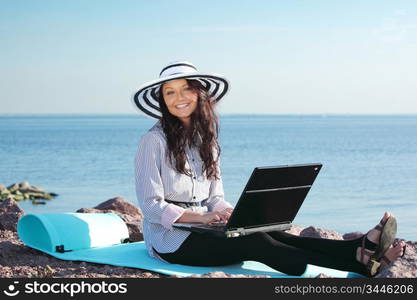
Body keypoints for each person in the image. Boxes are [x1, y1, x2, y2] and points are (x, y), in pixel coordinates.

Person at [132, 61, 406, 277]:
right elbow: (151, 207)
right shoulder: (153, 141)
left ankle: (354, 249)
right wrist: (201, 219)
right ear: (162, 100)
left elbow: (214, 197)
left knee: (266, 232)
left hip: (207, 229)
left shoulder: (208, 141)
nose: (179, 97)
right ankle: (362, 267)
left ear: (199, 93)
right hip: (171, 240)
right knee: (255, 244)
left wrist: (228, 212)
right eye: (170, 92)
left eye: (186, 89)